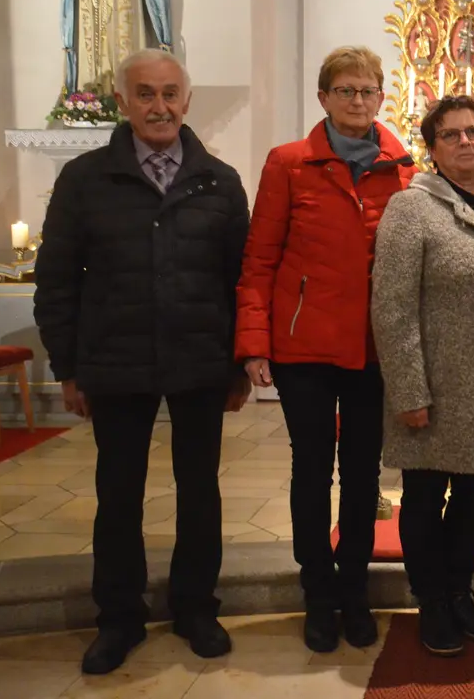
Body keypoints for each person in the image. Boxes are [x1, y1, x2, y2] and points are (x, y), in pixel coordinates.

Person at [34, 48, 251, 675]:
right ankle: (119, 619)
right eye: (146, 94)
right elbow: (56, 280)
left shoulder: (220, 180)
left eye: (170, 94)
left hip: (199, 361)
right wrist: (68, 367)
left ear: (187, 101)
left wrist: (238, 364)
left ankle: (195, 609)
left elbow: (241, 280)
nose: (160, 106)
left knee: (200, 493)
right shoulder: (84, 179)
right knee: (119, 495)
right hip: (115, 362)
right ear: (123, 101)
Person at [235, 46, 416, 653]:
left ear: (381, 98)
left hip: (373, 349)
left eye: (367, 91)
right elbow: (260, 259)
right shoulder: (288, 163)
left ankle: (354, 592)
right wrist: (254, 341)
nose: (357, 102)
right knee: (311, 471)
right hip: (304, 347)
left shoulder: (406, 167)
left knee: (364, 477)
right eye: (346, 91)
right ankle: (317, 593)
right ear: (323, 98)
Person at [371, 95, 474, 657]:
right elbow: (390, 308)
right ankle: (431, 601)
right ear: (433, 149)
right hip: (437, 389)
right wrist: (409, 390)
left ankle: (461, 591)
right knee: (423, 497)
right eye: (452, 135)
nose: (466, 142)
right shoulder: (411, 209)